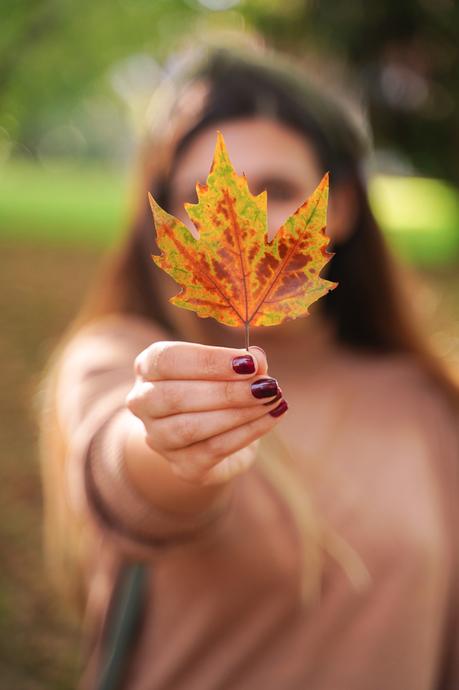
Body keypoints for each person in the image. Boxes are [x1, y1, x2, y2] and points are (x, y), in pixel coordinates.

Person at [38, 41, 459, 690]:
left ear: (338, 209)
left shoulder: (427, 403)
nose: (251, 223)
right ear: (170, 226)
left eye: (280, 190)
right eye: (200, 196)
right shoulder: (117, 355)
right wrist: (166, 444)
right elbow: (121, 471)